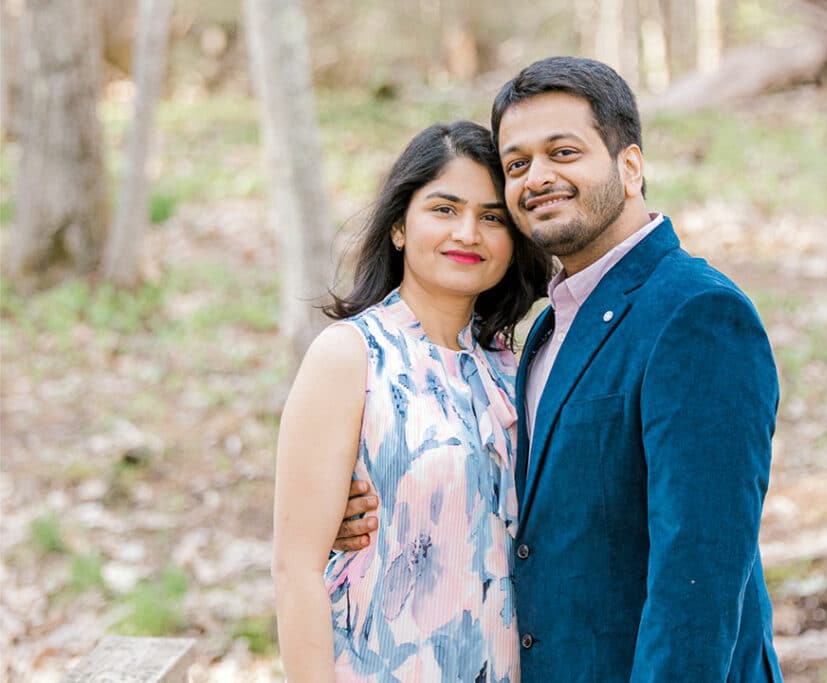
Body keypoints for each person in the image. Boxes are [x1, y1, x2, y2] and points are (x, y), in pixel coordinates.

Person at [337, 57, 783, 682]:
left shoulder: (696, 314)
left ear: (630, 167)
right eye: (516, 163)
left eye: (563, 152)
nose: (537, 177)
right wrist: (358, 515)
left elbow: (699, 582)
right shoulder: (546, 328)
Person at [273, 120, 551, 682]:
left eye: (492, 217)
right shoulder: (350, 355)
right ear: (400, 225)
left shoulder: (513, 367)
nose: (468, 233)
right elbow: (295, 567)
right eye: (444, 209)